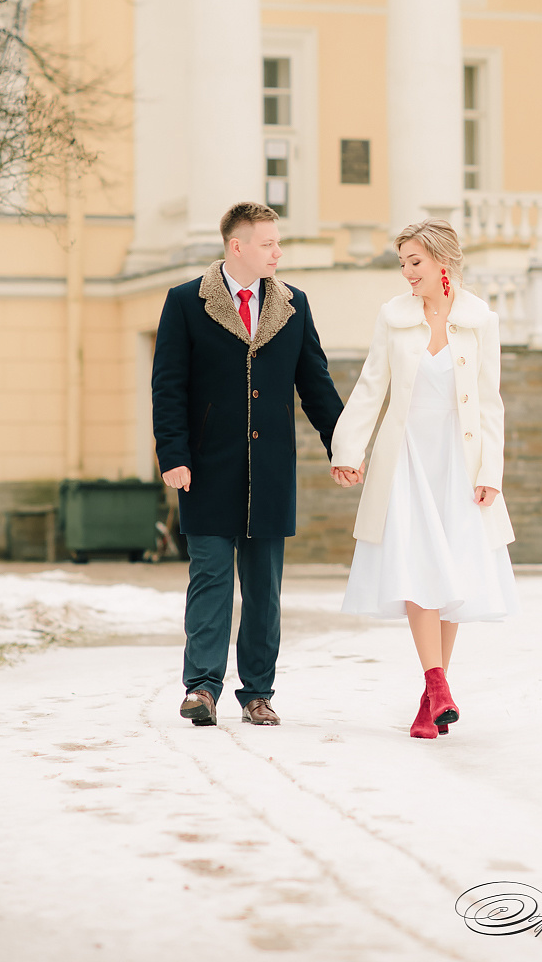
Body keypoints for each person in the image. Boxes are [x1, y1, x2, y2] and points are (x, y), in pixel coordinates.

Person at [152, 201, 345, 727]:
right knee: (210, 578)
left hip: (271, 472)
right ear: (237, 246)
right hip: (206, 469)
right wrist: (173, 455)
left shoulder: (293, 304)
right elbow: (168, 386)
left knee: (264, 588)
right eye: (268, 243)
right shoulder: (186, 302)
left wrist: (342, 446)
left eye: (278, 243)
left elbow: (316, 386)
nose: (277, 252)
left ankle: (257, 691)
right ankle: (202, 688)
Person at [329, 218, 518, 739]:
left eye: (415, 262)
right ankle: (437, 684)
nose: (407, 273)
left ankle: (432, 697)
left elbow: (489, 402)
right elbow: (372, 386)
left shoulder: (481, 320)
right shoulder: (394, 317)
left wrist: (490, 471)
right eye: (402, 263)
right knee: (418, 564)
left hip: (460, 460)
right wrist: (348, 448)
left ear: (442, 261)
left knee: (452, 569)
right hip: (408, 456)